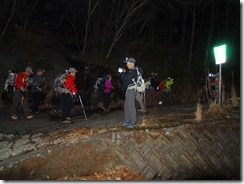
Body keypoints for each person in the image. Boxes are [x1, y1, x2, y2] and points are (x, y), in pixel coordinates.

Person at [118, 57, 143, 128]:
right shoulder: (131, 71)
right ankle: (127, 120)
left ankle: (133, 122)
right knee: (126, 106)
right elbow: (127, 80)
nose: (126, 65)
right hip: (129, 90)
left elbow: (126, 80)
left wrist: (121, 72)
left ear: (132, 64)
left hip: (132, 90)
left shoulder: (134, 71)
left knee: (131, 106)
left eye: (127, 63)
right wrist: (123, 72)